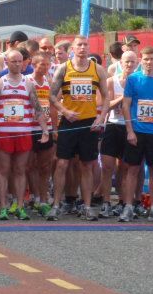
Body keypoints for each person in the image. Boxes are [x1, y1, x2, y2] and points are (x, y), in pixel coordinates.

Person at [46, 35, 108, 221]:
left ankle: (87, 206)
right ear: (73, 48)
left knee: (87, 165)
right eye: (79, 45)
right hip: (69, 122)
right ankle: (57, 204)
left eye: (85, 45)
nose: (83, 48)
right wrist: (64, 111)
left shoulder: (98, 70)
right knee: (62, 163)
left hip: (89, 123)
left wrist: (101, 117)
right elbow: (51, 96)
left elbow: (106, 98)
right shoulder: (64, 69)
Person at [0, 49, 50, 220]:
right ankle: (4, 206)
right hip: (5, 133)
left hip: (23, 133)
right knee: (4, 169)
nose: (18, 64)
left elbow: (37, 109)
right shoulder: (0, 83)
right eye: (14, 61)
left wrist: (45, 130)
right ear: (7, 62)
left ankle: (20, 205)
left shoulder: (28, 84)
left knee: (20, 169)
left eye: (20, 61)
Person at [119, 47, 153, 223]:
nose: (148, 62)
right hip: (137, 132)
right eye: (145, 59)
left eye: (151, 58)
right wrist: (129, 131)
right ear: (140, 61)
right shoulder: (133, 79)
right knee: (132, 169)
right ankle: (128, 207)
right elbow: (126, 105)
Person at [97, 50, 137, 218]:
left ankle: (122, 202)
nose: (129, 65)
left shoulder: (138, 82)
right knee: (107, 167)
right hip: (113, 126)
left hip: (130, 127)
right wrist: (123, 99)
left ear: (137, 64)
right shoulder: (112, 81)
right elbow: (107, 105)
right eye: (126, 61)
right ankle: (106, 202)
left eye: (132, 62)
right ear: (120, 63)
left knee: (125, 169)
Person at [27, 51, 58, 217]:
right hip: (30, 128)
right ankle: (35, 196)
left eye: (48, 65)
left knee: (45, 166)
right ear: (34, 64)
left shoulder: (49, 82)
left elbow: (52, 106)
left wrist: (55, 128)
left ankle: (44, 198)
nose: (45, 67)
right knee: (31, 165)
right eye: (42, 64)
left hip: (46, 128)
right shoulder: (27, 81)